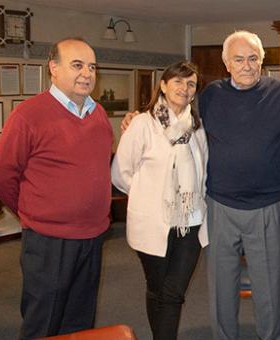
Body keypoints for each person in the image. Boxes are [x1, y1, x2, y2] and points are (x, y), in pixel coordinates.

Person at [122, 30, 280, 340]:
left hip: (266, 206)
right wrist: (137, 117)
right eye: (239, 59)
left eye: (253, 58)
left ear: (262, 60)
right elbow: (174, 116)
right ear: (225, 63)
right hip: (219, 206)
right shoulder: (210, 97)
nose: (247, 65)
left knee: (269, 287)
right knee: (221, 286)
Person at [0, 37, 112, 339]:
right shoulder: (28, 115)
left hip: (93, 236)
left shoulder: (98, 114)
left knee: (80, 319)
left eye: (92, 66)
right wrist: (32, 211)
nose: (87, 73)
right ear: (53, 68)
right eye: (77, 65)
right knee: (43, 320)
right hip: (49, 240)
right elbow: (2, 175)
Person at [111, 61, 208, 340]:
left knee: (173, 291)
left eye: (191, 84)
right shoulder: (143, 124)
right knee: (156, 288)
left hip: (190, 222)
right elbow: (121, 173)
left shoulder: (197, 128)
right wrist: (150, 198)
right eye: (178, 81)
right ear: (163, 86)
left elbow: (203, 173)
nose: (184, 88)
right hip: (152, 223)